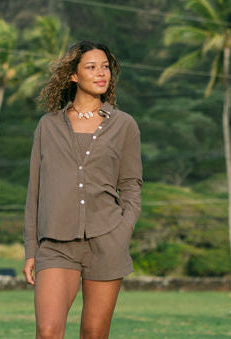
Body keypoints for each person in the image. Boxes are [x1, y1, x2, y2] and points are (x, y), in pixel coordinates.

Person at [23, 40, 142, 339]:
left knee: (93, 333)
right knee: (48, 332)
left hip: (107, 240)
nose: (101, 73)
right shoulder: (48, 126)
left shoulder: (124, 125)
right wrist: (30, 249)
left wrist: (124, 226)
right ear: (73, 75)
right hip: (56, 244)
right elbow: (35, 191)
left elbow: (130, 184)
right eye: (91, 67)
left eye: (105, 67)